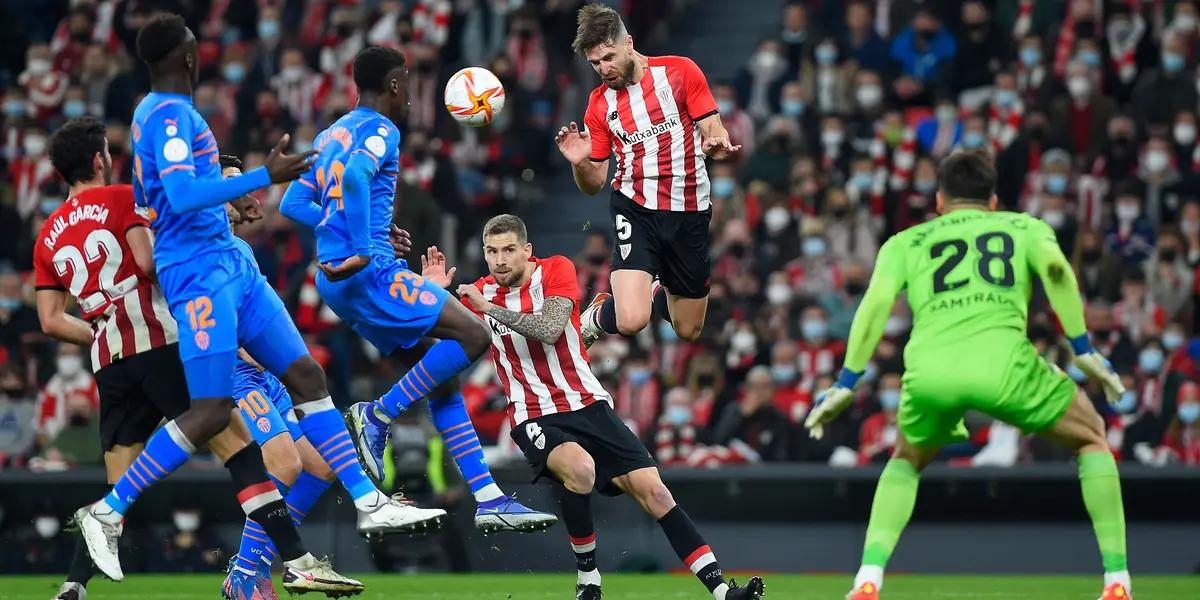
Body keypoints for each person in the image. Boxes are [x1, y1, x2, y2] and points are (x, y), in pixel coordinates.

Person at [74, 14, 436, 595]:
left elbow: (170, 196)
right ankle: (110, 510)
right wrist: (263, 176)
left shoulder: (161, 115)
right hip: (196, 273)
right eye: (197, 47)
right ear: (187, 58)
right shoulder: (167, 115)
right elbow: (185, 194)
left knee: (306, 373)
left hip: (231, 265)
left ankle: (370, 503)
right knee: (212, 412)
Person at [804, 151, 1131, 600]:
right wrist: (1083, 348)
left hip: (930, 372)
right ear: (993, 201)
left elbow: (875, 304)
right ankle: (1117, 581)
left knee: (905, 459)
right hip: (1005, 366)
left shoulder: (905, 241)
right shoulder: (1025, 227)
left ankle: (867, 579)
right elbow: (1057, 271)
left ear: (939, 200)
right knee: (1092, 436)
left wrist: (846, 382)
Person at [33, 116, 324, 600]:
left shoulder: (47, 235)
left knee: (117, 492)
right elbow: (147, 263)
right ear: (99, 159)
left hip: (110, 361)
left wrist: (104, 331)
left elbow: (49, 320)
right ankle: (293, 562)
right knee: (240, 449)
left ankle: (73, 586)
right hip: (160, 343)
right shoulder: (123, 198)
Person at [279, 45, 557, 533]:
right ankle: (376, 415)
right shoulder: (381, 129)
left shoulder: (330, 133)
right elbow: (362, 176)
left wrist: (349, 234)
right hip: (373, 275)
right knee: (473, 336)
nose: (408, 92)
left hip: (337, 282)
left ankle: (489, 497)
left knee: (440, 379)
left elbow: (292, 201)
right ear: (392, 85)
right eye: (404, 81)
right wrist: (364, 244)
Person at [449, 214, 765, 600]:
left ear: (527, 251)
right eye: (491, 251)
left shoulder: (555, 270)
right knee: (581, 469)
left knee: (658, 494)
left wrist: (489, 309)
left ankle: (721, 591)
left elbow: (549, 330)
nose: (499, 260)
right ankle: (589, 579)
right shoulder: (478, 292)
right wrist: (432, 292)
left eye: (509, 250)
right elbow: (434, 328)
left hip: (588, 403)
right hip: (533, 413)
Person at [218, 154, 442, 600]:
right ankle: (245, 572)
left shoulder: (240, 249)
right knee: (285, 464)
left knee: (319, 466)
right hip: (235, 376)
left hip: (269, 373)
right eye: (229, 185)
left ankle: (262, 563)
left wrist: (376, 246)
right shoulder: (201, 250)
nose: (241, 194)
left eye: (242, 184)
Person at [556, 3, 739, 350]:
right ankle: (598, 314)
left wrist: (716, 145)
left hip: (689, 211)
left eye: (609, 57)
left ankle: (657, 284)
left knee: (688, 329)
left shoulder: (679, 72)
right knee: (631, 320)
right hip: (635, 208)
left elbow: (714, 130)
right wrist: (580, 163)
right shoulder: (598, 106)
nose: (604, 69)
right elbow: (593, 185)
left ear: (629, 43)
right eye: (595, 63)